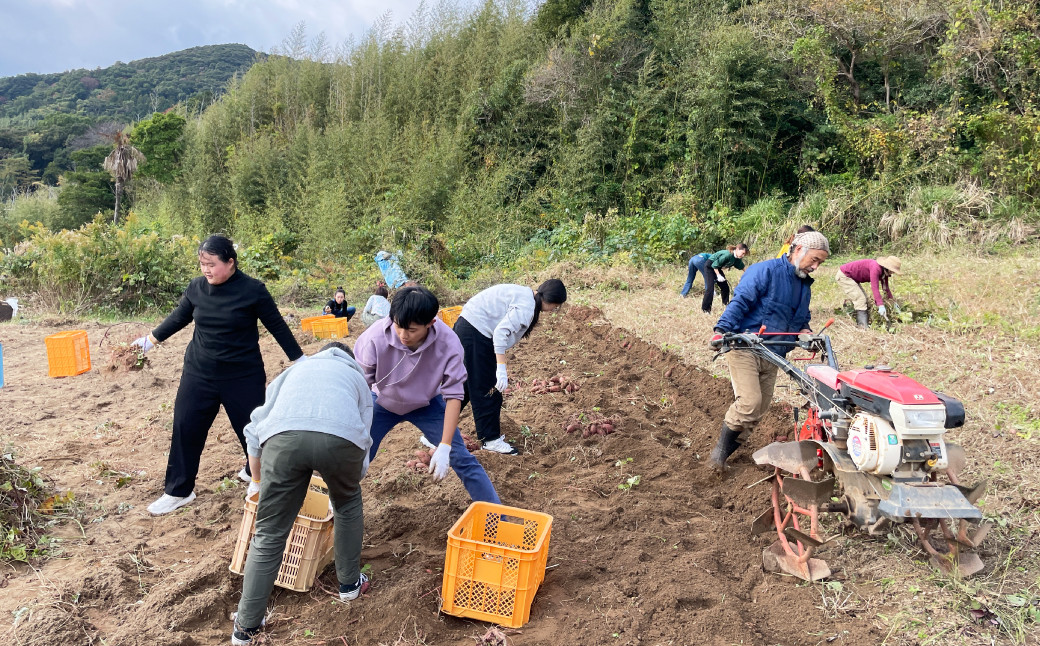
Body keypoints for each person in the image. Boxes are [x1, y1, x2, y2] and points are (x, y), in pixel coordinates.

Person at [132, 235, 304, 515]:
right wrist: (150, 340)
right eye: (202, 264)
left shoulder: (253, 290)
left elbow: (277, 325)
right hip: (198, 373)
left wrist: (300, 359)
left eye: (211, 264)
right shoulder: (197, 288)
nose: (206, 270)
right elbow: (179, 317)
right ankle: (178, 491)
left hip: (242, 375)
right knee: (185, 428)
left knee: (254, 431)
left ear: (230, 262)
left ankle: (258, 477)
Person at [231, 342, 372, 645]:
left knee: (268, 532)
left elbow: (254, 430)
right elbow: (363, 435)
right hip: (340, 439)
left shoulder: (293, 371)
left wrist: (256, 481)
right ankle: (349, 585)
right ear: (351, 360)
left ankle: (246, 627)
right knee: (347, 504)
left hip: (282, 440)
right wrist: (346, 481)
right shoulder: (356, 377)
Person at [352, 285, 500, 502]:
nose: (403, 335)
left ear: (431, 323)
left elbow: (454, 396)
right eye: (399, 327)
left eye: (412, 330)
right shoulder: (374, 338)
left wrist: (445, 446)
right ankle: (332, 504)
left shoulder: (448, 343)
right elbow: (359, 387)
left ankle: (497, 518)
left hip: (427, 405)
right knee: (355, 455)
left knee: (461, 458)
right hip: (381, 402)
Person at [707, 231, 830, 472]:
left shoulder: (804, 284)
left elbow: (802, 317)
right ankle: (717, 458)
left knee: (760, 409)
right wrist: (721, 330)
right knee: (750, 403)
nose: (815, 267)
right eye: (813, 260)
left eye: (820, 263)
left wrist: (807, 332)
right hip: (745, 347)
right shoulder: (765, 270)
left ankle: (728, 453)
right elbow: (741, 301)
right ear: (797, 250)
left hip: (774, 353)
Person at [454, 279, 568, 455]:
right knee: (489, 389)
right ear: (553, 302)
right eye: (556, 307)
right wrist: (501, 368)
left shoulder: (527, 296)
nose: (554, 310)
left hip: (469, 328)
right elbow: (500, 334)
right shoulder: (527, 308)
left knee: (467, 386)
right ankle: (490, 440)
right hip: (476, 333)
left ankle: (437, 429)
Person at [679, 244, 749, 313]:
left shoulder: (736, 259)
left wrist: (749, 274)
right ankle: (705, 310)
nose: (742, 256)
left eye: (744, 255)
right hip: (709, 266)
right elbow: (714, 265)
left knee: (725, 287)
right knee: (710, 288)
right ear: (737, 249)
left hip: (716, 268)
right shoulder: (727, 255)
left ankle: (726, 305)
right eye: (742, 253)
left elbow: (742, 267)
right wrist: (718, 275)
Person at [835, 256, 902, 328]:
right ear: (888, 268)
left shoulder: (885, 272)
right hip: (845, 276)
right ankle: (863, 327)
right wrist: (880, 305)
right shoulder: (876, 268)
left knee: (865, 299)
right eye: (893, 270)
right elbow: (875, 288)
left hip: (853, 278)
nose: (893, 273)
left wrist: (893, 302)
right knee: (861, 299)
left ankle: (861, 318)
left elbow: (885, 288)